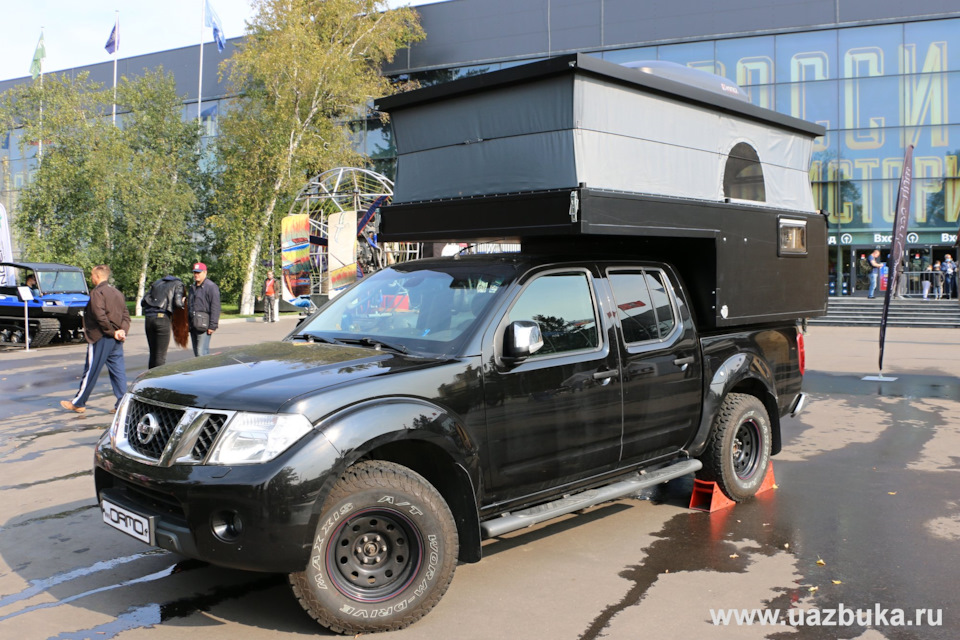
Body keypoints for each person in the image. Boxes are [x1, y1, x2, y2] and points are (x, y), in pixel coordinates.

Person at [60, 265, 129, 414]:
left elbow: (100, 316)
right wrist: (122, 331)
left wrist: (112, 332)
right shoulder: (117, 293)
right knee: (118, 372)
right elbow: (126, 315)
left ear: (97, 277)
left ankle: (78, 403)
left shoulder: (97, 292)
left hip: (101, 337)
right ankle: (123, 405)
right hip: (116, 339)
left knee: (91, 370)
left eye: (92, 275)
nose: (91, 278)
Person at [141, 274, 186, 368]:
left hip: (149, 318)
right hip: (162, 318)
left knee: (153, 353)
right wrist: (183, 301)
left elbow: (143, 302)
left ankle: (150, 377)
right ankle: (157, 379)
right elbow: (178, 303)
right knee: (160, 355)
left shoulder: (157, 283)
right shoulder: (178, 284)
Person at [188, 262, 221, 357]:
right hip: (194, 324)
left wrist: (213, 325)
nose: (196, 275)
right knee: (197, 353)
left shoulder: (211, 287)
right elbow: (190, 305)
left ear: (205, 273)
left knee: (201, 352)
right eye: (195, 272)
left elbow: (215, 306)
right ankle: (201, 370)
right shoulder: (193, 287)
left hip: (204, 324)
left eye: (199, 272)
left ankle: (204, 371)